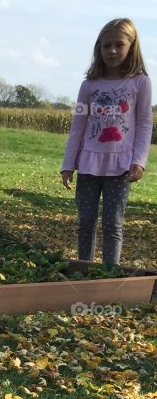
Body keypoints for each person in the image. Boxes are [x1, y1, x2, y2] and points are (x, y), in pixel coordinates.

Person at [60, 18, 152, 265]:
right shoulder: (88, 85)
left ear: (131, 47)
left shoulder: (140, 82)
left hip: (120, 167)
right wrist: (68, 164)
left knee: (113, 223)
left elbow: (144, 123)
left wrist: (139, 161)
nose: (112, 51)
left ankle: (110, 273)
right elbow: (77, 127)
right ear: (98, 49)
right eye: (106, 45)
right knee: (85, 222)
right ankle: (85, 269)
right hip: (88, 164)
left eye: (118, 45)